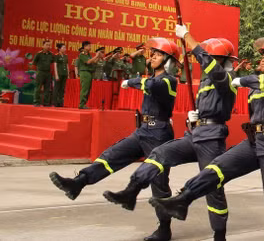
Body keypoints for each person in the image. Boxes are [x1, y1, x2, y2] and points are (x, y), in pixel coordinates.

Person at [150, 36, 264, 241]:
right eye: (262, 55)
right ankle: (182, 200)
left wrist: (241, 79)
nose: (262, 59)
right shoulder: (255, 87)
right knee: (215, 170)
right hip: (255, 141)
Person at [104, 26, 237, 241]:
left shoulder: (225, 78)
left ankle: (219, 235)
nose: (207, 61)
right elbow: (211, 103)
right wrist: (198, 116)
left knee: (213, 187)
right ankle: (132, 191)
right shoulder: (206, 81)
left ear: (223, 61)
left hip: (212, 138)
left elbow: (208, 64)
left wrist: (186, 36)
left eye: (212, 58)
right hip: (195, 133)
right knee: (159, 154)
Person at [49, 38, 179, 241]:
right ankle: (78, 183)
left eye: (159, 54)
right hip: (143, 130)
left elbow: (151, 84)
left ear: (169, 61)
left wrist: (131, 81)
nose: (153, 56)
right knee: (112, 155)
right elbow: (148, 83)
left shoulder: (169, 81)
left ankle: (164, 229)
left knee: (158, 182)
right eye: (153, 53)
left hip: (159, 133)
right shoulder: (152, 78)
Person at [77, 41, 102, 109]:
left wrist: (98, 57)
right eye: (89, 46)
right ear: (85, 46)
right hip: (85, 72)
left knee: (88, 89)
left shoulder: (88, 55)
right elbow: (88, 62)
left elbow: (94, 62)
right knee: (85, 89)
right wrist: (96, 56)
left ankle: (84, 104)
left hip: (89, 73)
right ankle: (81, 104)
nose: (90, 47)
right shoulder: (82, 54)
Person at [31, 39, 55, 106]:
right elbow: (34, 63)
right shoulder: (39, 54)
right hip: (40, 73)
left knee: (47, 88)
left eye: (49, 45)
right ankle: (36, 102)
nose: (48, 46)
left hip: (48, 73)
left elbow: (53, 62)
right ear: (43, 46)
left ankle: (46, 103)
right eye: (46, 45)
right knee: (38, 88)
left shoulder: (51, 54)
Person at [52, 43, 69, 108]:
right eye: (63, 47)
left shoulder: (65, 56)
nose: (65, 49)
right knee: (56, 88)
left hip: (64, 74)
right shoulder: (56, 55)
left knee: (62, 89)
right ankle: (55, 102)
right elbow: (55, 65)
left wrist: (68, 74)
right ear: (59, 48)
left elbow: (67, 65)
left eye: (65, 48)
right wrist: (56, 75)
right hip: (59, 74)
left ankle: (60, 102)